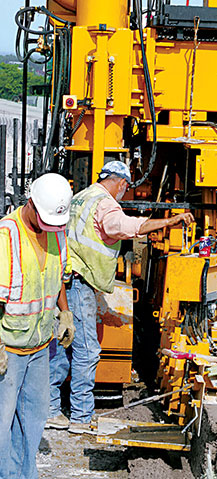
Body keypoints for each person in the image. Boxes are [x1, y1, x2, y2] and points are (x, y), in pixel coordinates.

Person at [47, 160, 194, 433]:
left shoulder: (81, 197)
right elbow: (125, 226)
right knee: (86, 350)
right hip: (80, 283)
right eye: (125, 188)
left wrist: (106, 309)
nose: (124, 193)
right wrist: (170, 220)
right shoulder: (105, 204)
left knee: (64, 345)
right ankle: (80, 417)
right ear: (121, 182)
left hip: (67, 282)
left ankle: (52, 409)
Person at [0, 173, 75, 479]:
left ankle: (22, 474)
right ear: (30, 204)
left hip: (40, 346)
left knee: (32, 420)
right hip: (9, 350)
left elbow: (57, 276)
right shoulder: (7, 236)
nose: (51, 228)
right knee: (2, 424)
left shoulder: (56, 230)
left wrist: (65, 313)